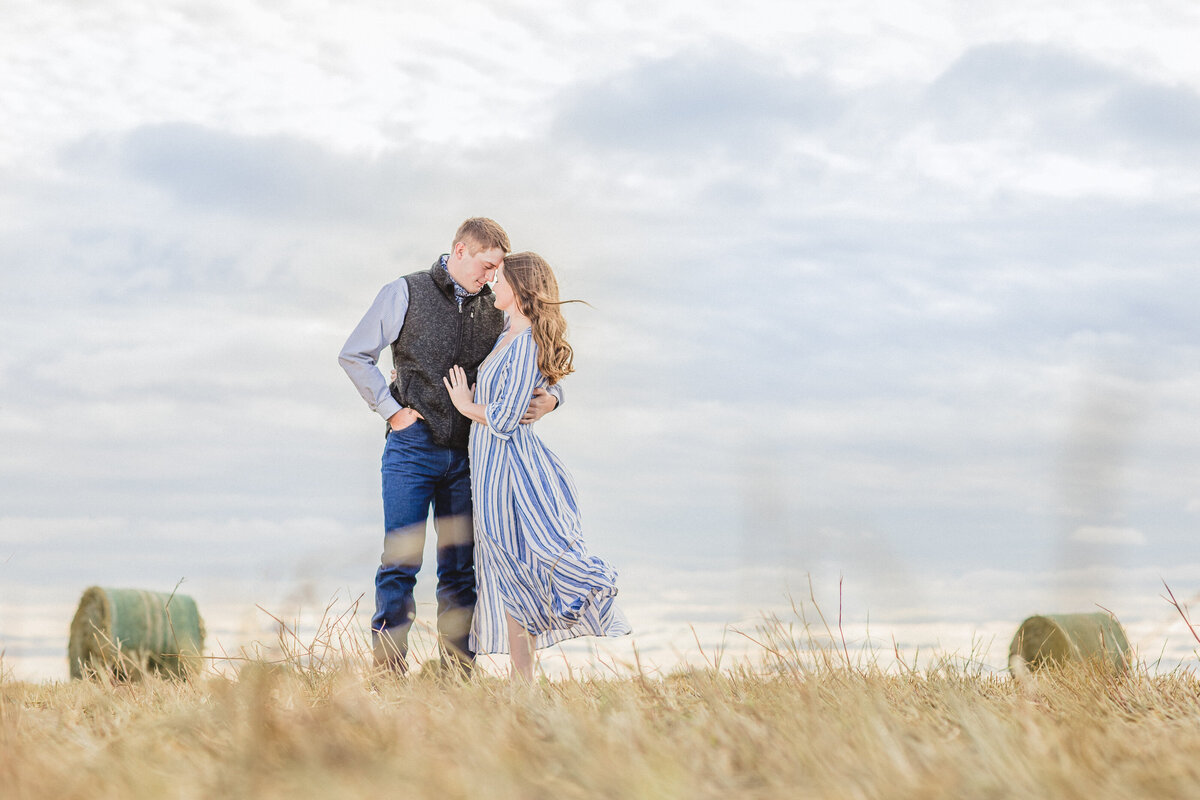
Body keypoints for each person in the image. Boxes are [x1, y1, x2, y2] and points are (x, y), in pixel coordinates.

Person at [338, 219, 561, 673]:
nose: (492, 276)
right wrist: (390, 410)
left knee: (460, 568)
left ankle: (457, 673)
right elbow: (354, 353)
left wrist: (554, 399)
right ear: (460, 250)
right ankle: (388, 672)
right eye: (486, 265)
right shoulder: (405, 291)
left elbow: (536, 352)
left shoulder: (498, 306)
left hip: (469, 455)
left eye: (498, 269)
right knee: (400, 562)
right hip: (411, 449)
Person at [443, 252, 631, 681]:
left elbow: (507, 418)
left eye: (501, 278)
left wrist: (464, 404)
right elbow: (534, 391)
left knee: (530, 561)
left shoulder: (525, 342)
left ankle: (584, 595)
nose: (493, 283)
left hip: (513, 470)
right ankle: (521, 684)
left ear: (521, 288)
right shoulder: (505, 334)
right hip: (491, 469)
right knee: (509, 573)